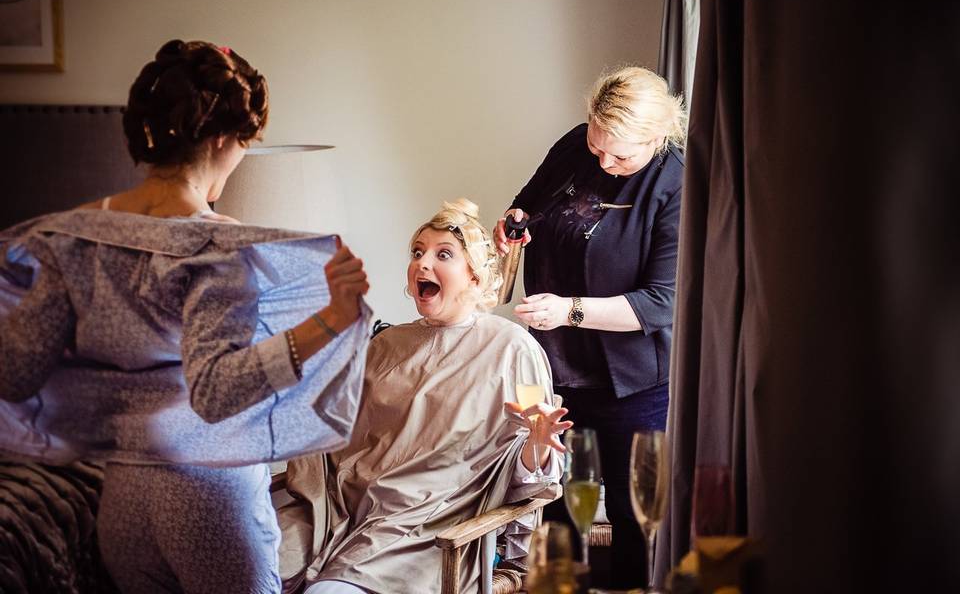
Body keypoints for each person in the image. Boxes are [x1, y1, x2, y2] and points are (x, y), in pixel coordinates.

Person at [0, 39, 370, 594]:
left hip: (123, 499)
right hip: (208, 495)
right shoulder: (216, 249)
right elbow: (216, 393)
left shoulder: (70, 236)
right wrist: (330, 320)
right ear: (222, 139)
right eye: (245, 143)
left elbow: (16, 373)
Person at [277, 199, 573, 594]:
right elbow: (336, 432)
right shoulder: (386, 344)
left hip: (426, 527)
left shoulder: (513, 348)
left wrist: (537, 444)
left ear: (475, 277)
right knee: (240, 563)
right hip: (335, 509)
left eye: (443, 254)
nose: (422, 263)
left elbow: (528, 472)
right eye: (417, 252)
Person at [494, 66, 687, 588]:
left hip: (633, 382)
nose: (603, 161)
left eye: (619, 155)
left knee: (635, 518)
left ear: (656, 135)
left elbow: (661, 301)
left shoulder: (676, 183)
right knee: (551, 506)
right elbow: (526, 206)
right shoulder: (578, 145)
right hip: (552, 371)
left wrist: (568, 310)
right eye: (597, 145)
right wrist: (512, 225)